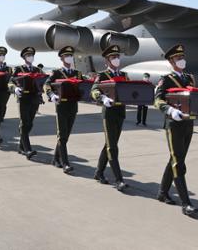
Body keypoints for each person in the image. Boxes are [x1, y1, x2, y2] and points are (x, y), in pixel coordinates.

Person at [154, 44, 198, 216]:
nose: (182, 60)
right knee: (178, 162)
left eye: (182, 57)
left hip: (188, 124)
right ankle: (186, 203)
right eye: (178, 58)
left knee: (176, 158)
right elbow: (158, 101)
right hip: (173, 124)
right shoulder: (165, 79)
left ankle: (163, 192)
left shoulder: (190, 78)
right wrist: (170, 110)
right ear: (171, 61)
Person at [90, 45, 129, 191]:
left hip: (120, 112)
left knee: (109, 143)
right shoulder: (103, 75)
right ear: (107, 61)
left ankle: (99, 172)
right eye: (113, 57)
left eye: (118, 56)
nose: (116, 59)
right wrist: (102, 98)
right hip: (109, 113)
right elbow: (93, 91)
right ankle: (118, 179)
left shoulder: (124, 75)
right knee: (112, 147)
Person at [44, 46, 83, 174]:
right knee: (62, 134)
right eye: (67, 56)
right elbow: (47, 84)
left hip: (73, 106)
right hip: (61, 105)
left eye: (71, 55)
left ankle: (55, 158)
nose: (70, 58)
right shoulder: (57, 73)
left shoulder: (77, 73)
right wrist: (51, 95)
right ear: (62, 58)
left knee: (65, 135)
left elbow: (83, 86)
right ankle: (65, 163)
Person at [10, 47, 44, 160]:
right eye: (28, 55)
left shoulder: (38, 70)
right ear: (24, 57)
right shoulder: (19, 69)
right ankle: (27, 149)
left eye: (32, 55)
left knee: (30, 124)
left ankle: (21, 146)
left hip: (35, 99)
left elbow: (43, 81)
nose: (31, 57)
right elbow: (11, 81)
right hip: (24, 98)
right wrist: (14, 88)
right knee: (25, 123)